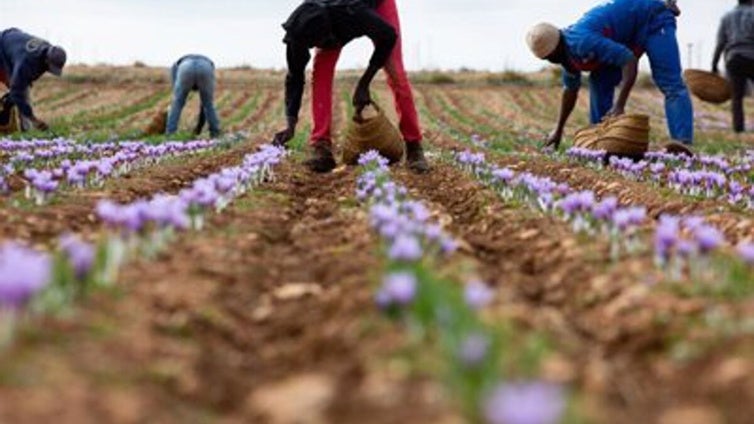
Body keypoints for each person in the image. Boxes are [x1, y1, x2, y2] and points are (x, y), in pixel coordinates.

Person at [274, 0, 429, 174]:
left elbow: (388, 36)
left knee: (395, 71)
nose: (328, 45)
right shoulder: (298, 33)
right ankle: (321, 145)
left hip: (377, 4)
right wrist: (290, 123)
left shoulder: (352, 11)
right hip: (332, 18)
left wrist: (364, 83)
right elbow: (294, 76)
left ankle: (414, 145)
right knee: (321, 72)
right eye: (321, 43)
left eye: (328, 40)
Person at [527, 0, 694, 149]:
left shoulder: (581, 42)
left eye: (549, 57)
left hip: (653, 19)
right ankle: (603, 142)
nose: (550, 62)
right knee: (599, 80)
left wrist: (619, 105)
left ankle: (682, 143)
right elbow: (570, 91)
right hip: (627, 35)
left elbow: (629, 61)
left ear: (556, 49)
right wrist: (558, 129)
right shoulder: (566, 55)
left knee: (670, 82)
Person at [0, 28, 67, 132]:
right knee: (19, 93)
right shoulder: (25, 62)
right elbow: (17, 90)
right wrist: (33, 119)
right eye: (50, 67)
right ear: (46, 60)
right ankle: (24, 127)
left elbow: (26, 80)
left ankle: (25, 129)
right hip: (2, 48)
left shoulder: (46, 52)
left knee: (20, 91)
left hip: (12, 43)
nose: (49, 70)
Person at [712, 0, 754, 133]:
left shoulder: (727, 17)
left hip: (734, 58)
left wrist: (714, 64)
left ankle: (738, 129)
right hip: (752, 56)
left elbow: (720, 42)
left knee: (737, 96)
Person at [166, 54, 221, 138]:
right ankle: (215, 133)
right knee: (208, 104)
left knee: (177, 103)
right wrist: (199, 127)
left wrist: (199, 126)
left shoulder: (175, 67)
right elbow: (205, 105)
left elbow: (176, 93)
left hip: (185, 68)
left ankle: (170, 133)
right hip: (206, 67)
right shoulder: (209, 65)